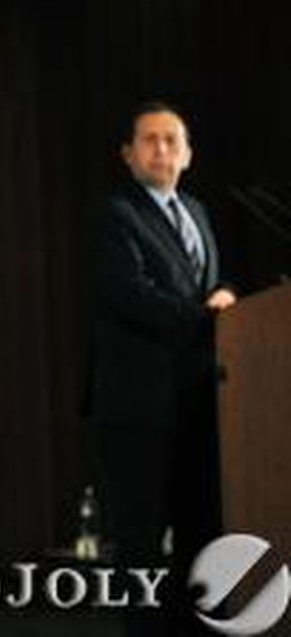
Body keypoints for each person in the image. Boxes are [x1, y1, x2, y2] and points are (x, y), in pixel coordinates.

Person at [90, 101, 236, 632]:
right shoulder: (115, 215)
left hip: (200, 402)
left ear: (189, 153)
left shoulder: (196, 210)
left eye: (172, 140)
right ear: (128, 154)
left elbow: (216, 287)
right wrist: (206, 314)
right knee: (142, 541)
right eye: (150, 140)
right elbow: (131, 296)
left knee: (202, 528)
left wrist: (226, 295)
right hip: (140, 407)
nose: (162, 149)